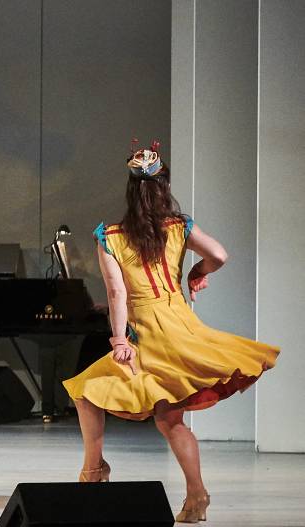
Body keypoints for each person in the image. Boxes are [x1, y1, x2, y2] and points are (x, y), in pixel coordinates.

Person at [62, 141, 278, 524]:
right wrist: (197, 271)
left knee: (85, 392)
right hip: (180, 326)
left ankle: (94, 471)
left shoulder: (111, 236)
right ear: (164, 186)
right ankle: (196, 495)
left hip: (149, 333)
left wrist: (119, 339)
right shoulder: (179, 227)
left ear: (131, 189)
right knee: (168, 419)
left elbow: (116, 293)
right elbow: (219, 255)